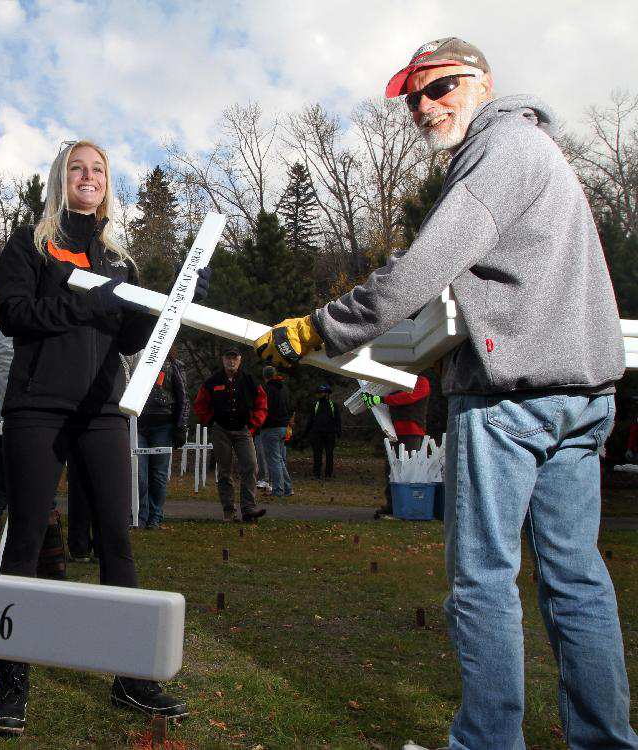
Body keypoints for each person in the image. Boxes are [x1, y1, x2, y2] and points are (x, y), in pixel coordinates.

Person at [255, 37, 637, 750]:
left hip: (513, 402)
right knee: (576, 582)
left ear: (484, 84)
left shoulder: (501, 151)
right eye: (415, 98)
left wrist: (315, 329)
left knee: (481, 582)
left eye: (442, 88)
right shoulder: (539, 154)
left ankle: (487, 743)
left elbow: (419, 269)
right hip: (579, 395)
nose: (426, 106)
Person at [0, 139, 203, 733]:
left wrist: (173, 309)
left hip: (104, 409)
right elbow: (14, 315)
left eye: (99, 170)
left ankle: (131, 678)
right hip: (37, 407)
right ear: (62, 179)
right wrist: (83, 304)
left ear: (109, 182)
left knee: (116, 537)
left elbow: (131, 338)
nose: (89, 176)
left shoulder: (120, 259)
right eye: (78, 168)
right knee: (27, 538)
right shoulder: (29, 245)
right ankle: (12, 683)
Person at [0, 284, 68, 578]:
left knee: (44, 494)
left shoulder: (48, 284)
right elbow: (6, 351)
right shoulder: (6, 287)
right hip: (6, 408)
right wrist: (22, 403)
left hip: (32, 406)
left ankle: (52, 578)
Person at [193, 346, 268, 522]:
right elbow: (200, 404)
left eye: (234, 358)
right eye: (228, 358)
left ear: (240, 360)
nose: (231, 361)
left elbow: (262, 404)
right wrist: (211, 421)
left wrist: (252, 425)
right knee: (225, 471)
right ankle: (229, 510)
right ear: (223, 360)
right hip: (221, 431)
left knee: (251, 466)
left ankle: (248, 508)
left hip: (244, 430)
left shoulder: (250, 380)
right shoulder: (212, 381)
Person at [363, 373, 431, 516]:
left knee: (408, 470)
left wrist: (381, 399)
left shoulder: (421, 381)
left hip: (413, 431)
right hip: (393, 432)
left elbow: (407, 397)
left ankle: (409, 506)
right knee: (391, 469)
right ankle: (393, 505)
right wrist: (374, 397)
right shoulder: (397, 381)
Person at [136, 350, 188, 529]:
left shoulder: (174, 364)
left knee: (158, 474)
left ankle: (155, 516)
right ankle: (140, 517)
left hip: (163, 425)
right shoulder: (136, 359)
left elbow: (183, 397)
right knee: (139, 475)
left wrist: (181, 426)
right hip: (138, 424)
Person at [259, 366, 293, 495]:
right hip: (283, 427)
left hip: (271, 427)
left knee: (273, 460)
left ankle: (278, 489)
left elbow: (265, 409)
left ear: (265, 376)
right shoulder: (283, 388)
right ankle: (287, 488)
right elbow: (289, 406)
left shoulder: (267, 390)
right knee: (279, 459)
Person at [304, 384, 340, 479]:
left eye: (321, 393)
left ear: (327, 394)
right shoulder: (315, 405)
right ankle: (317, 474)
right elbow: (310, 420)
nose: (319, 395)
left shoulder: (334, 406)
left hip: (330, 434)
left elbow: (338, 420)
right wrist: (306, 432)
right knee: (317, 454)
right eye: (318, 393)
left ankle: (328, 474)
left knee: (329, 454)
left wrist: (338, 432)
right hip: (317, 434)